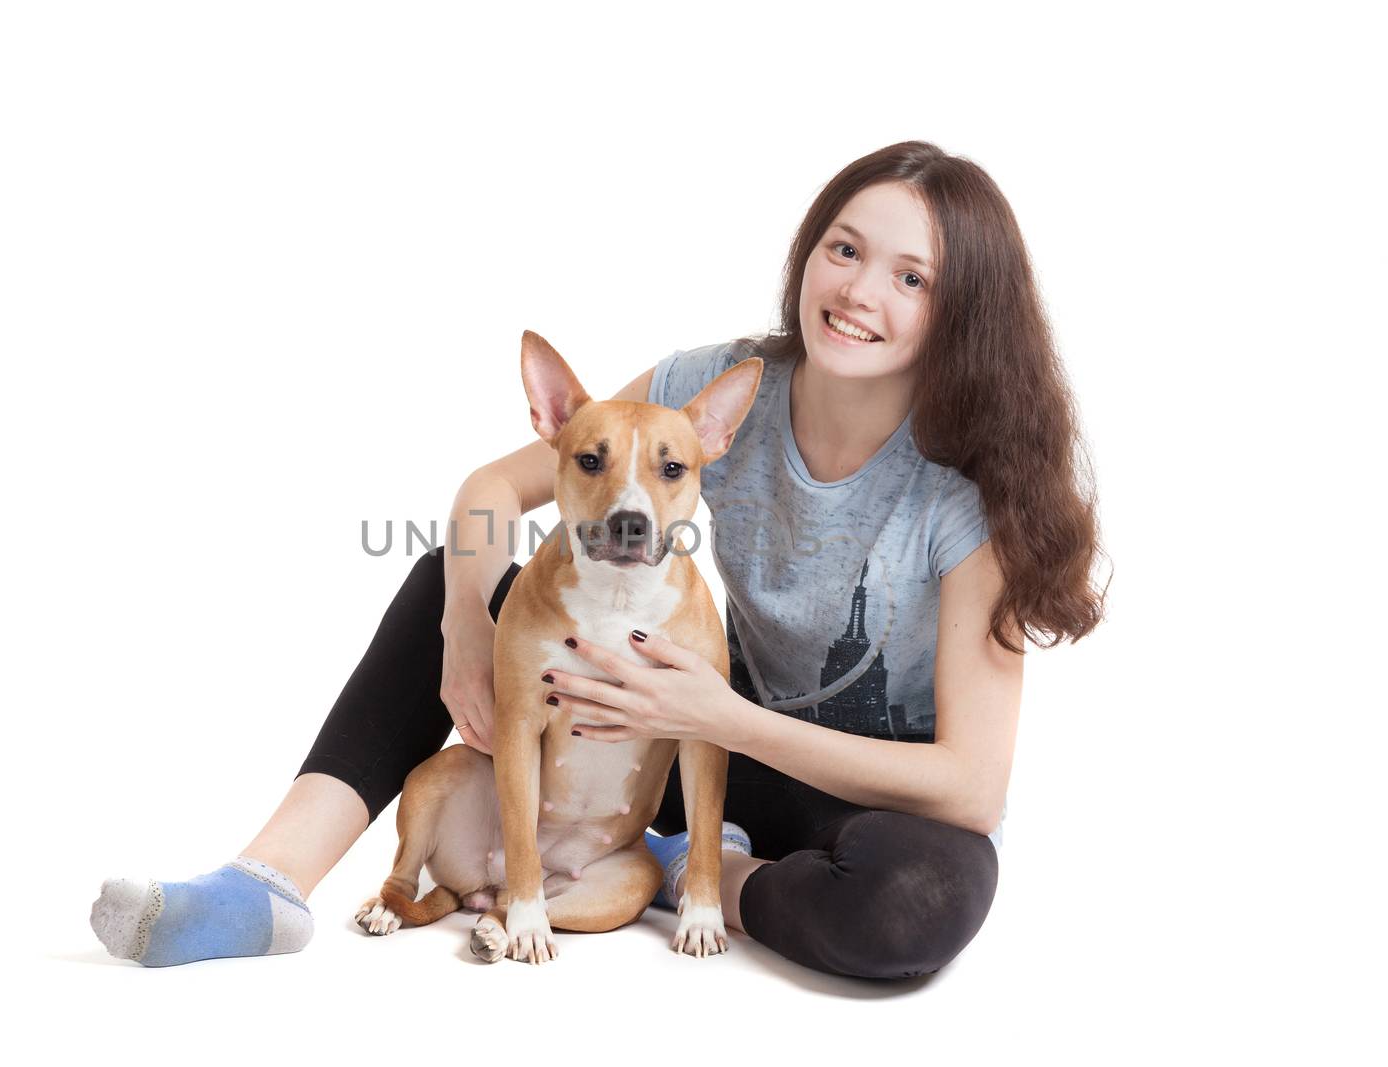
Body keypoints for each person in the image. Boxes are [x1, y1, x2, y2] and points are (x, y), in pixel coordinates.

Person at [89, 140, 1107, 979]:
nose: (857, 290)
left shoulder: (971, 489)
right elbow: (493, 489)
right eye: (843, 248)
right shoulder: (706, 386)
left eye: (910, 275)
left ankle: (692, 873)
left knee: (913, 906)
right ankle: (267, 882)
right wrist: (465, 638)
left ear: (956, 308)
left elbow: (972, 787)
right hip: (664, 737)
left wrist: (722, 716)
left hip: (845, 786)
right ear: (809, 252)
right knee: (463, 561)